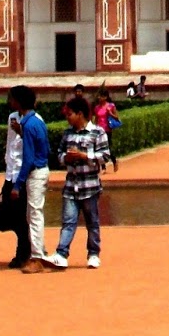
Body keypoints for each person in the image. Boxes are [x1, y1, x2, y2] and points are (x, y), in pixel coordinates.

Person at [47, 96, 110, 269]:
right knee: (68, 221)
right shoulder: (68, 133)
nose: (67, 117)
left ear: (80, 114)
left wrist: (84, 156)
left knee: (92, 222)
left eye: (70, 114)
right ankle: (61, 253)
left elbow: (105, 156)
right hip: (71, 185)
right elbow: (59, 154)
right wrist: (65, 158)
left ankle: (93, 253)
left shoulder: (97, 132)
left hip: (90, 185)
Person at [12, 86, 54, 270]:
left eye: (11, 99)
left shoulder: (29, 125)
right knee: (33, 214)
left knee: (35, 214)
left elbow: (28, 158)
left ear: (19, 102)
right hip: (42, 169)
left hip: (35, 173)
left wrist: (17, 184)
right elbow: (45, 148)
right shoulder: (37, 121)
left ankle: (37, 258)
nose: (9, 102)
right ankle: (39, 251)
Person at [0, 99, 31, 268]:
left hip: (23, 173)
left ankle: (24, 252)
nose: (9, 101)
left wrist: (22, 132)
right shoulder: (12, 117)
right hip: (11, 173)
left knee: (23, 215)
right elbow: (9, 144)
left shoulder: (34, 120)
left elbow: (34, 145)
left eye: (12, 98)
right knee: (12, 214)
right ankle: (25, 249)